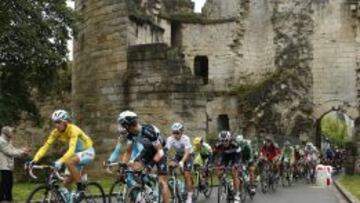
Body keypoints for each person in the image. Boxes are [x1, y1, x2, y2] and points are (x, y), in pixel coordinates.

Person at [29, 110, 95, 192]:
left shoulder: (73, 130)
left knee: (68, 162)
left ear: (65, 122)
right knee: (66, 183)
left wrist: (60, 161)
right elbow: (45, 147)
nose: (56, 125)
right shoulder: (55, 132)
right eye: (55, 122)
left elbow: (71, 150)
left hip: (88, 152)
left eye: (58, 122)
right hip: (76, 155)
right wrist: (34, 160)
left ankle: (80, 185)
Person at [118, 110, 171, 203]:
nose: (123, 128)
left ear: (129, 124)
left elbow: (160, 151)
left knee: (162, 181)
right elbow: (128, 152)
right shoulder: (131, 135)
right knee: (134, 168)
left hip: (161, 151)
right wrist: (122, 167)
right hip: (148, 151)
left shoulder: (148, 131)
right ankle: (148, 191)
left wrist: (150, 165)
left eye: (123, 125)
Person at [0, 126, 30, 203]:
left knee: (8, 182)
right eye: (11, 132)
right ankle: (4, 199)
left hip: (8, 165)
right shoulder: (1, 141)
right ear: (6, 133)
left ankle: (8, 199)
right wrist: (22, 152)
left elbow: (13, 150)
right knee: (6, 182)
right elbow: (10, 152)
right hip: (4, 165)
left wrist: (22, 151)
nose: (13, 134)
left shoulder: (8, 141)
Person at [165, 122, 194, 203]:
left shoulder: (186, 138)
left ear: (181, 132)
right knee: (170, 166)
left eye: (177, 132)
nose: (175, 134)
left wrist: (182, 162)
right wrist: (168, 160)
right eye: (173, 132)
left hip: (188, 155)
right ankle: (174, 183)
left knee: (186, 174)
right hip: (178, 155)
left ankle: (189, 197)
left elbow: (187, 152)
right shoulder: (170, 139)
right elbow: (167, 150)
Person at [214, 131, 242, 203]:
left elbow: (239, 155)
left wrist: (236, 164)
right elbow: (213, 155)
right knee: (219, 171)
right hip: (225, 157)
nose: (224, 142)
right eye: (222, 141)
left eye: (226, 140)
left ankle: (237, 194)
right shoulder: (218, 145)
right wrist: (212, 164)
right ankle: (223, 183)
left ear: (229, 139)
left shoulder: (235, 144)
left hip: (235, 157)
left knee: (234, 173)